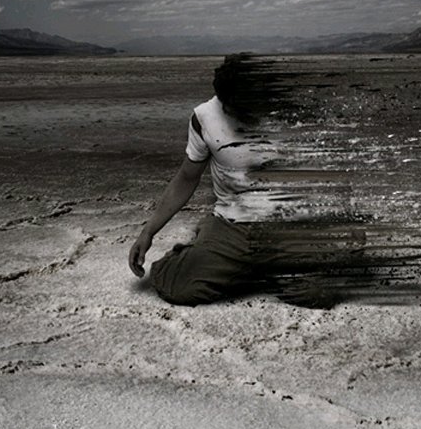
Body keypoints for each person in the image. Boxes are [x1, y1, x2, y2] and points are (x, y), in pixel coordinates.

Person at [128, 54, 330, 306]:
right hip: (233, 224)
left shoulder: (292, 114)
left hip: (286, 224)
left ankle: (250, 266)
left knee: (316, 293)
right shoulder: (204, 118)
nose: (239, 116)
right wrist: (148, 231)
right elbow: (186, 178)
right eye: (231, 108)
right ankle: (205, 254)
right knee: (181, 288)